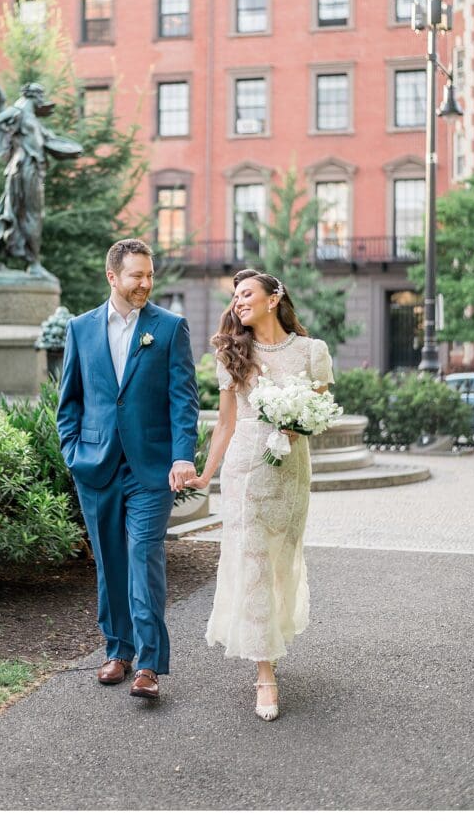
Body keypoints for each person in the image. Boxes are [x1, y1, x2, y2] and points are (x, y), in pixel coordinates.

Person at [186, 269, 334, 721]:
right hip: (246, 471)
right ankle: (264, 674)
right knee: (252, 563)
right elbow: (226, 423)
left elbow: (320, 410)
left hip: (291, 470)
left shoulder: (313, 352)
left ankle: (272, 635)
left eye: (246, 294)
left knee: (279, 562)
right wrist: (205, 474)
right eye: (234, 297)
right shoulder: (234, 354)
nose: (238, 303)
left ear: (274, 298)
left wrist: (298, 423)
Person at [56, 238, 199, 700]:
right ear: (112, 277)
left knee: (143, 558)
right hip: (95, 466)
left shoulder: (170, 328)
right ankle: (117, 651)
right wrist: (73, 452)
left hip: (150, 469)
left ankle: (150, 663)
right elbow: (69, 402)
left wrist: (182, 455)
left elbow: (184, 399)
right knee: (110, 563)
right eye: (137, 275)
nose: (145, 283)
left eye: (150, 275)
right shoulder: (80, 329)